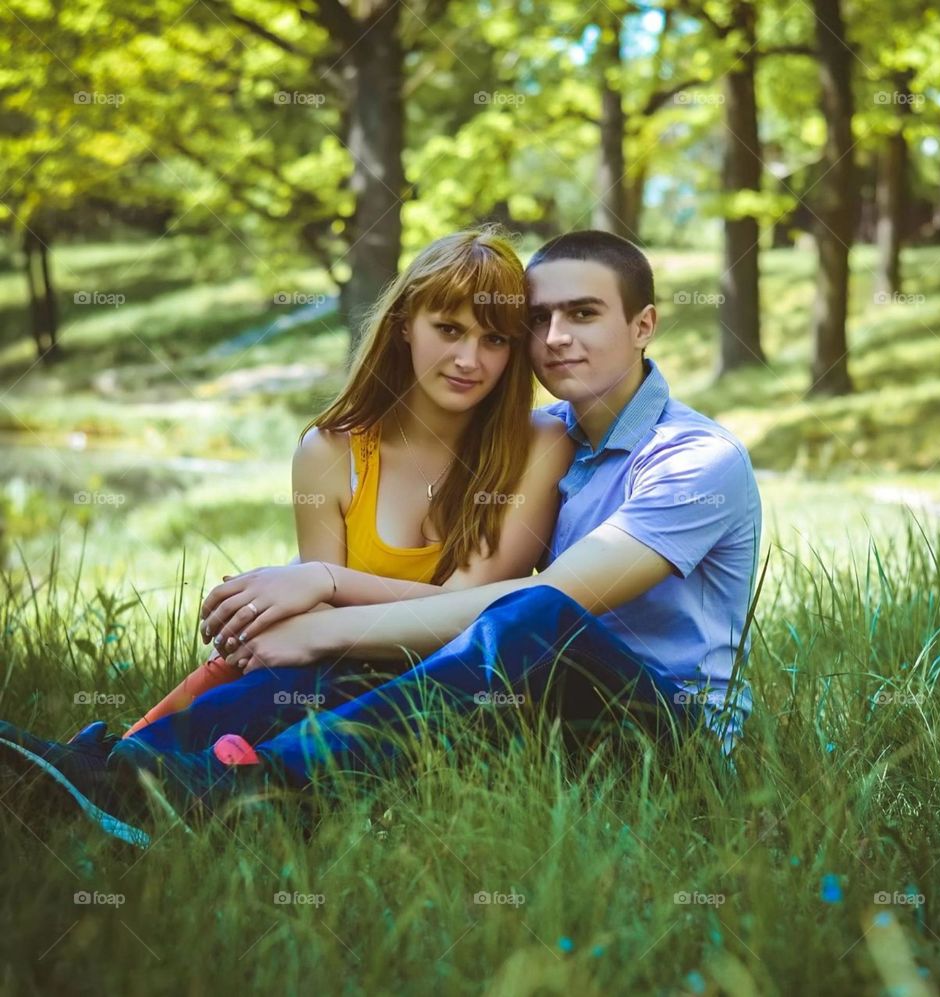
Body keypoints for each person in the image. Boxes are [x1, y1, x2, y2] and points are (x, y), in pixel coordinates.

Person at [5, 230, 764, 837]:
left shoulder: (697, 461)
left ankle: (261, 791)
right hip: (541, 716)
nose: (555, 338)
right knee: (367, 665)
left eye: (585, 314)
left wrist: (324, 610)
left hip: (671, 741)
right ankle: (107, 773)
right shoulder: (554, 434)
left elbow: (550, 602)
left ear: (643, 325)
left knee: (530, 616)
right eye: (538, 320)